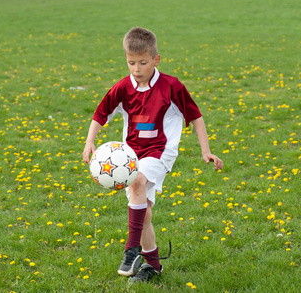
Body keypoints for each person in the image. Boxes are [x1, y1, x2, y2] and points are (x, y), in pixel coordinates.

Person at [82, 27, 224, 284]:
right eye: (131, 63)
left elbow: (196, 117)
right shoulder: (123, 87)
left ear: (156, 60)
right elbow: (100, 113)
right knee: (143, 212)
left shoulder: (171, 86)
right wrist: (89, 141)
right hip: (130, 156)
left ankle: (131, 250)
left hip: (161, 152)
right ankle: (153, 265)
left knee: (136, 182)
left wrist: (206, 151)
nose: (136, 68)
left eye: (143, 63)